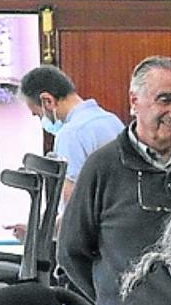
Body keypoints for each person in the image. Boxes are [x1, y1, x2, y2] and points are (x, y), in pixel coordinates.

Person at [57, 55, 171, 305]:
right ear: (134, 101)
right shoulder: (102, 165)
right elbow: (71, 251)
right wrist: (111, 303)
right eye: (165, 99)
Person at [17, 64, 124, 209]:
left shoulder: (71, 134)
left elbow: (73, 204)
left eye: (38, 114)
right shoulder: (112, 120)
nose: (42, 120)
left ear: (47, 101)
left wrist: (44, 228)